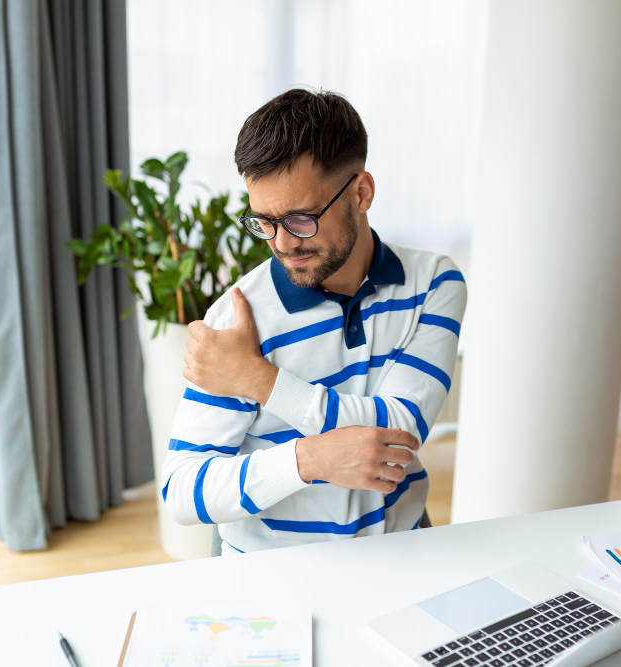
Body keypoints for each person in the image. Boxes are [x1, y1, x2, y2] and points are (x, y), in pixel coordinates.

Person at [161, 88, 467, 554]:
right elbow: (183, 491)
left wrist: (261, 381)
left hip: (404, 548)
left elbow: (400, 431)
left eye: (302, 219)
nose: (282, 244)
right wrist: (306, 460)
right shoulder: (238, 319)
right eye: (264, 221)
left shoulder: (433, 283)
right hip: (275, 570)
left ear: (361, 192)